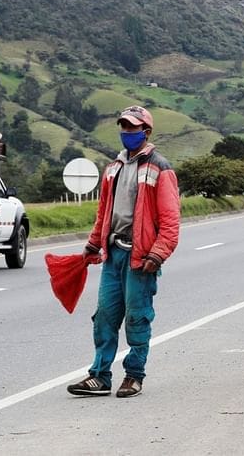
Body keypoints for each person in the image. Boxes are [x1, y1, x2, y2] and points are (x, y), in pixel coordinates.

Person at [67, 105, 180, 398]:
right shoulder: (113, 168)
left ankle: (134, 375)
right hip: (113, 253)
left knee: (137, 317)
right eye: (124, 127)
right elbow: (104, 211)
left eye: (133, 127)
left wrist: (157, 254)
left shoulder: (160, 168)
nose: (127, 132)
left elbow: (170, 220)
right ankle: (100, 375)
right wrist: (93, 243)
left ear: (146, 131)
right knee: (105, 315)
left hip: (140, 257)